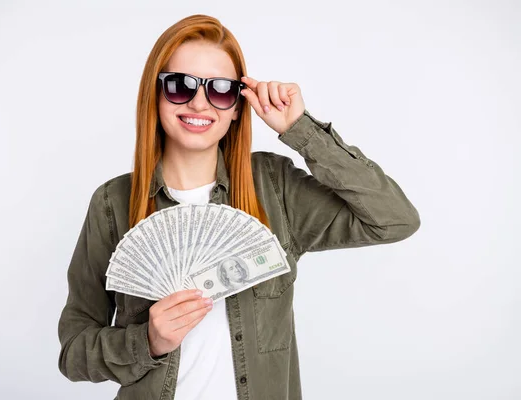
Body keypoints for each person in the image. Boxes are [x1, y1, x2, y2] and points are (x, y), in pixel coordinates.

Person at [57, 14, 420, 400]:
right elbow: (74, 353)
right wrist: (147, 340)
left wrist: (300, 130)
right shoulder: (112, 204)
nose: (200, 102)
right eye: (180, 85)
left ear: (236, 107)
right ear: (155, 94)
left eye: (220, 90)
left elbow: (394, 220)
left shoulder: (274, 187)